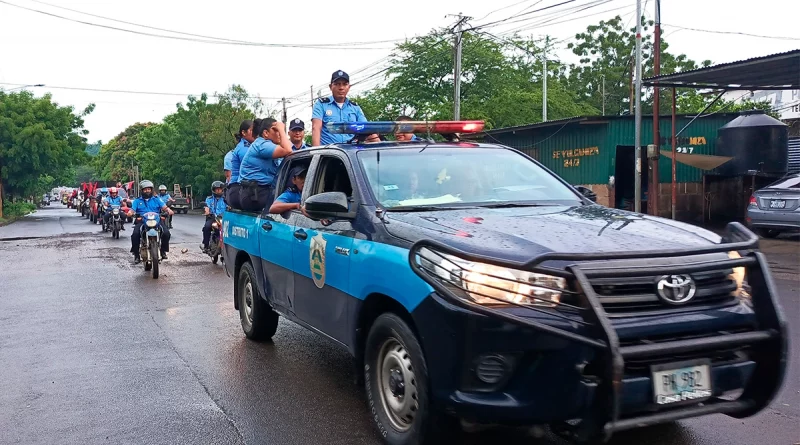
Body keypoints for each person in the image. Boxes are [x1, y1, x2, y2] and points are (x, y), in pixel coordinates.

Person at [238, 118, 294, 212]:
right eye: (275, 130)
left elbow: (289, 151)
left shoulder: (269, 146)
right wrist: (281, 129)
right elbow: (288, 150)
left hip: (260, 191)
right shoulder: (262, 145)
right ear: (266, 133)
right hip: (255, 194)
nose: (279, 133)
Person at [311, 70, 371, 146]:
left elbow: (366, 128)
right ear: (330, 87)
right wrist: (316, 151)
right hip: (328, 153)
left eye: (344, 84)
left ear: (349, 87)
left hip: (351, 153)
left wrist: (375, 137)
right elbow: (316, 128)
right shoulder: (321, 104)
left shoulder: (355, 108)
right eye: (337, 84)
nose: (341, 88)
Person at [127, 180, 173, 263]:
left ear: (151, 190)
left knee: (166, 233)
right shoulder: (137, 201)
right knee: (135, 235)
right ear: (142, 190)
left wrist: (169, 211)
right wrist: (130, 213)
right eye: (145, 189)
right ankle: (136, 254)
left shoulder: (156, 199)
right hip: (142, 220)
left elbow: (165, 207)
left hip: (156, 221)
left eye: (149, 189)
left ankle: (163, 251)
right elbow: (132, 210)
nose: (147, 191)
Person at [227, 119, 256, 209]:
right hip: (238, 189)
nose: (255, 133)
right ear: (244, 132)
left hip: (242, 188)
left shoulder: (250, 146)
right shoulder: (243, 148)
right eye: (252, 131)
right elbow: (253, 164)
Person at [201, 181, 227, 252]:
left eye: (220, 189)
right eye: (217, 189)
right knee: (207, 227)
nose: (218, 191)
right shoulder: (209, 199)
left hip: (223, 218)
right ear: (214, 190)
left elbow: (229, 207)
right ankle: (206, 245)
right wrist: (207, 211)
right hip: (213, 217)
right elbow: (207, 207)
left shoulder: (226, 199)